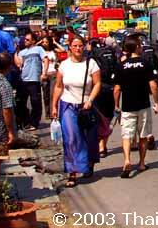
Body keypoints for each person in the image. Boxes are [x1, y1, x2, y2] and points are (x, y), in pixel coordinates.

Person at [51, 36, 102, 187]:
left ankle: (88, 163)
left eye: (80, 46)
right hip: (68, 105)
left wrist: (90, 100)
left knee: (88, 137)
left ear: (84, 47)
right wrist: (54, 105)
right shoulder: (64, 65)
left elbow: (97, 83)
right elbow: (58, 86)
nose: (78, 48)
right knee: (71, 138)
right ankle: (72, 172)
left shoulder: (91, 64)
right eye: (75, 46)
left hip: (86, 105)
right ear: (70, 48)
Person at [113, 35, 158, 178]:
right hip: (143, 105)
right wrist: (157, 103)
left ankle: (127, 160)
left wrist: (116, 105)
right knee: (143, 136)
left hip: (127, 106)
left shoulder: (121, 66)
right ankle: (141, 163)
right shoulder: (145, 63)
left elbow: (116, 89)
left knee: (127, 135)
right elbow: (153, 84)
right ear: (137, 47)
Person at [15, 32, 49, 130]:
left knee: (36, 102)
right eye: (25, 39)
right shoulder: (22, 52)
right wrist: (15, 52)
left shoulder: (39, 49)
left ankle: (34, 123)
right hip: (23, 80)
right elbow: (19, 64)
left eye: (28, 40)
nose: (25, 41)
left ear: (33, 41)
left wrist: (44, 73)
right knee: (21, 102)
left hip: (34, 80)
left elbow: (45, 60)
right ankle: (25, 121)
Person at [91, 38, 119, 158]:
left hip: (98, 90)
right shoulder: (112, 55)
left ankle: (99, 145)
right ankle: (103, 146)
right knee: (108, 118)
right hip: (111, 89)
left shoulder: (92, 56)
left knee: (98, 118)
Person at [41, 37, 58, 119]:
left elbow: (63, 50)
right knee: (45, 95)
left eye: (46, 42)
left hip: (53, 74)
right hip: (44, 75)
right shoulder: (40, 51)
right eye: (43, 42)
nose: (44, 43)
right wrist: (39, 41)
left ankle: (52, 113)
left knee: (52, 94)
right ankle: (47, 112)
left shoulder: (53, 51)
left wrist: (55, 42)